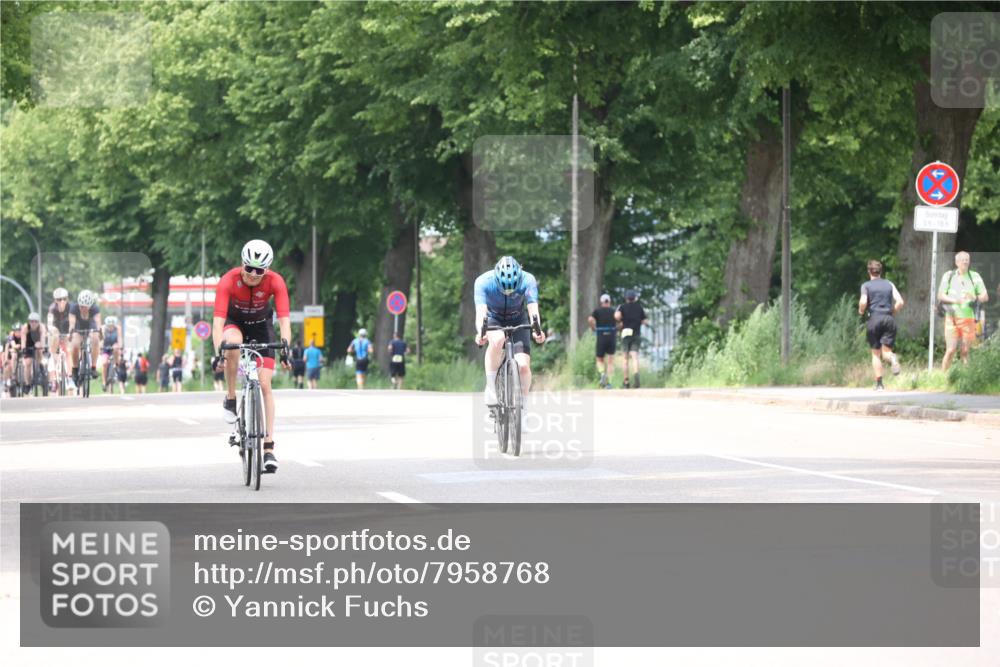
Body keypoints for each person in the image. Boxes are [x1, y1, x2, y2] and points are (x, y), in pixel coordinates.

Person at [213, 239, 291, 473]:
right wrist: (219, 352)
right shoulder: (229, 280)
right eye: (249, 269)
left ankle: (268, 447)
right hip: (234, 323)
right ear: (242, 264)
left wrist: (286, 348)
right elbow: (217, 323)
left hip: (261, 326)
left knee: (265, 384)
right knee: (233, 344)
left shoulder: (275, 281)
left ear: (267, 270)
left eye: (259, 271)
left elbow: (285, 319)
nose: (253, 275)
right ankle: (230, 396)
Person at [473, 256, 546, 406]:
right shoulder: (483, 282)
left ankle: (523, 410)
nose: (508, 293)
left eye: (512, 290)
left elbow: (533, 308)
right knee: (498, 339)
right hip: (493, 319)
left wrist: (537, 329)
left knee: (523, 366)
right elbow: (481, 312)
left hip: (518, 319)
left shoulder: (528, 280)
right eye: (504, 290)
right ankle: (491, 386)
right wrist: (481, 333)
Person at [938, 251, 989, 371]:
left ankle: (966, 379)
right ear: (956, 262)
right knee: (950, 350)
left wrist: (974, 298)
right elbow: (940, 295)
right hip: (952, 318)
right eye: (962, 259)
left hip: (968, 319)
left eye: (967, 259)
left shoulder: (974, 276)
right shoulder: (948, 275)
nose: (965, 261)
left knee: (965, 351)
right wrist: (956, 300)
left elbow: (985, 297)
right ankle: (943, 377)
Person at [858, 259, 904, 390]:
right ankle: (892, 357)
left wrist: (861, 311)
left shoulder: (866, 285)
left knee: (876, 353)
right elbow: (900, 301)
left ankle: (879, 384)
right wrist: (892, 311)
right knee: (886, 352)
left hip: (874, 319)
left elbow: (863, 302)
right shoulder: (889, 284)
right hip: (888, 318)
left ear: (869, 272)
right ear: (880, 271)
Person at [615, 289, 647, 388]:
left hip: (625, 333)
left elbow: (617, 316)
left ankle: (626, 381)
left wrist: (620, 320)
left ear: (626, 298)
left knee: (625, 359)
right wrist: (637, 322)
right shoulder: (639, 307)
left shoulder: (622, 307)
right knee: (635, 357)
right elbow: (645, 321)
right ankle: (636, 377)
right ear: (634, 298)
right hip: (636, 334)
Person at [69, 289, 102, 386]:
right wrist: (71, 332)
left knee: (95, 339)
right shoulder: (74, 308)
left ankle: (93, 367)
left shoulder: (95, 309)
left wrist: (100, 331)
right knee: (75, 344)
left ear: (90, 306)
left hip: (90, 326)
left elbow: (98, 323)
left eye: (85, 307)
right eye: (81, 306)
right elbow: (72, 323)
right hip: (78, 327)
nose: (82, 308)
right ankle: (75, 368)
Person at [588, 294, 617, 388]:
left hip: (601, 335)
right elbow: (620, 321)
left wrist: (593, 328)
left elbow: (590, 319)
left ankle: (602, 373)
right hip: (611, 336)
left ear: (601, 302)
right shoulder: (613, 311)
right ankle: (609, 383)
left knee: (599, 359)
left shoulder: (597, 311)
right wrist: (617, 328)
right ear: (609, 301)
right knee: (610, 360)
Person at [47, 287, 72, 391]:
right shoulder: (52, 309)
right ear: (55, 300)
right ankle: (53, 379)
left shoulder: (71, 308)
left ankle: (70, 377)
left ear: (67, 299)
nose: (62, 301)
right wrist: (53, 330)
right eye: (59, 299)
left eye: (64, 299)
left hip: (66, 332)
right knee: (53, 352)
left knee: (69, 351)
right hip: (55, 333)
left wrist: (71, 332)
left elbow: (73, 323)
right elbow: (49, 323)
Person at [19, 313, 47, 393]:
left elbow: (42, 339)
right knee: (28, 363)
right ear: (29, 322)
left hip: (37, 342)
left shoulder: (42, 327)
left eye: (35, 321)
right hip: (28, 343)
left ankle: (41, 365)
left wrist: (42, 347)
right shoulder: (25, 327)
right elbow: (23, 340)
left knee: (39, 349)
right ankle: (27, 384)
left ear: (38, 322)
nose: (33, 323)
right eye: (31, 321)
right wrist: (24, 349)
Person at [100, 315, 123, 389]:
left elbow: (119, 338)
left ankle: (116, 365)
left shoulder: (118, 328)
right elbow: (101, 339)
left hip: (114, 347)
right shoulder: (103, 328)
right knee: (104, 363)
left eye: (112, 326)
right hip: (105, 348)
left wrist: (120, 346)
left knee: (116, 348)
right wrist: (101, 346)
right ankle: (104, 382)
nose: (110, 327)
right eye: (109, 326)